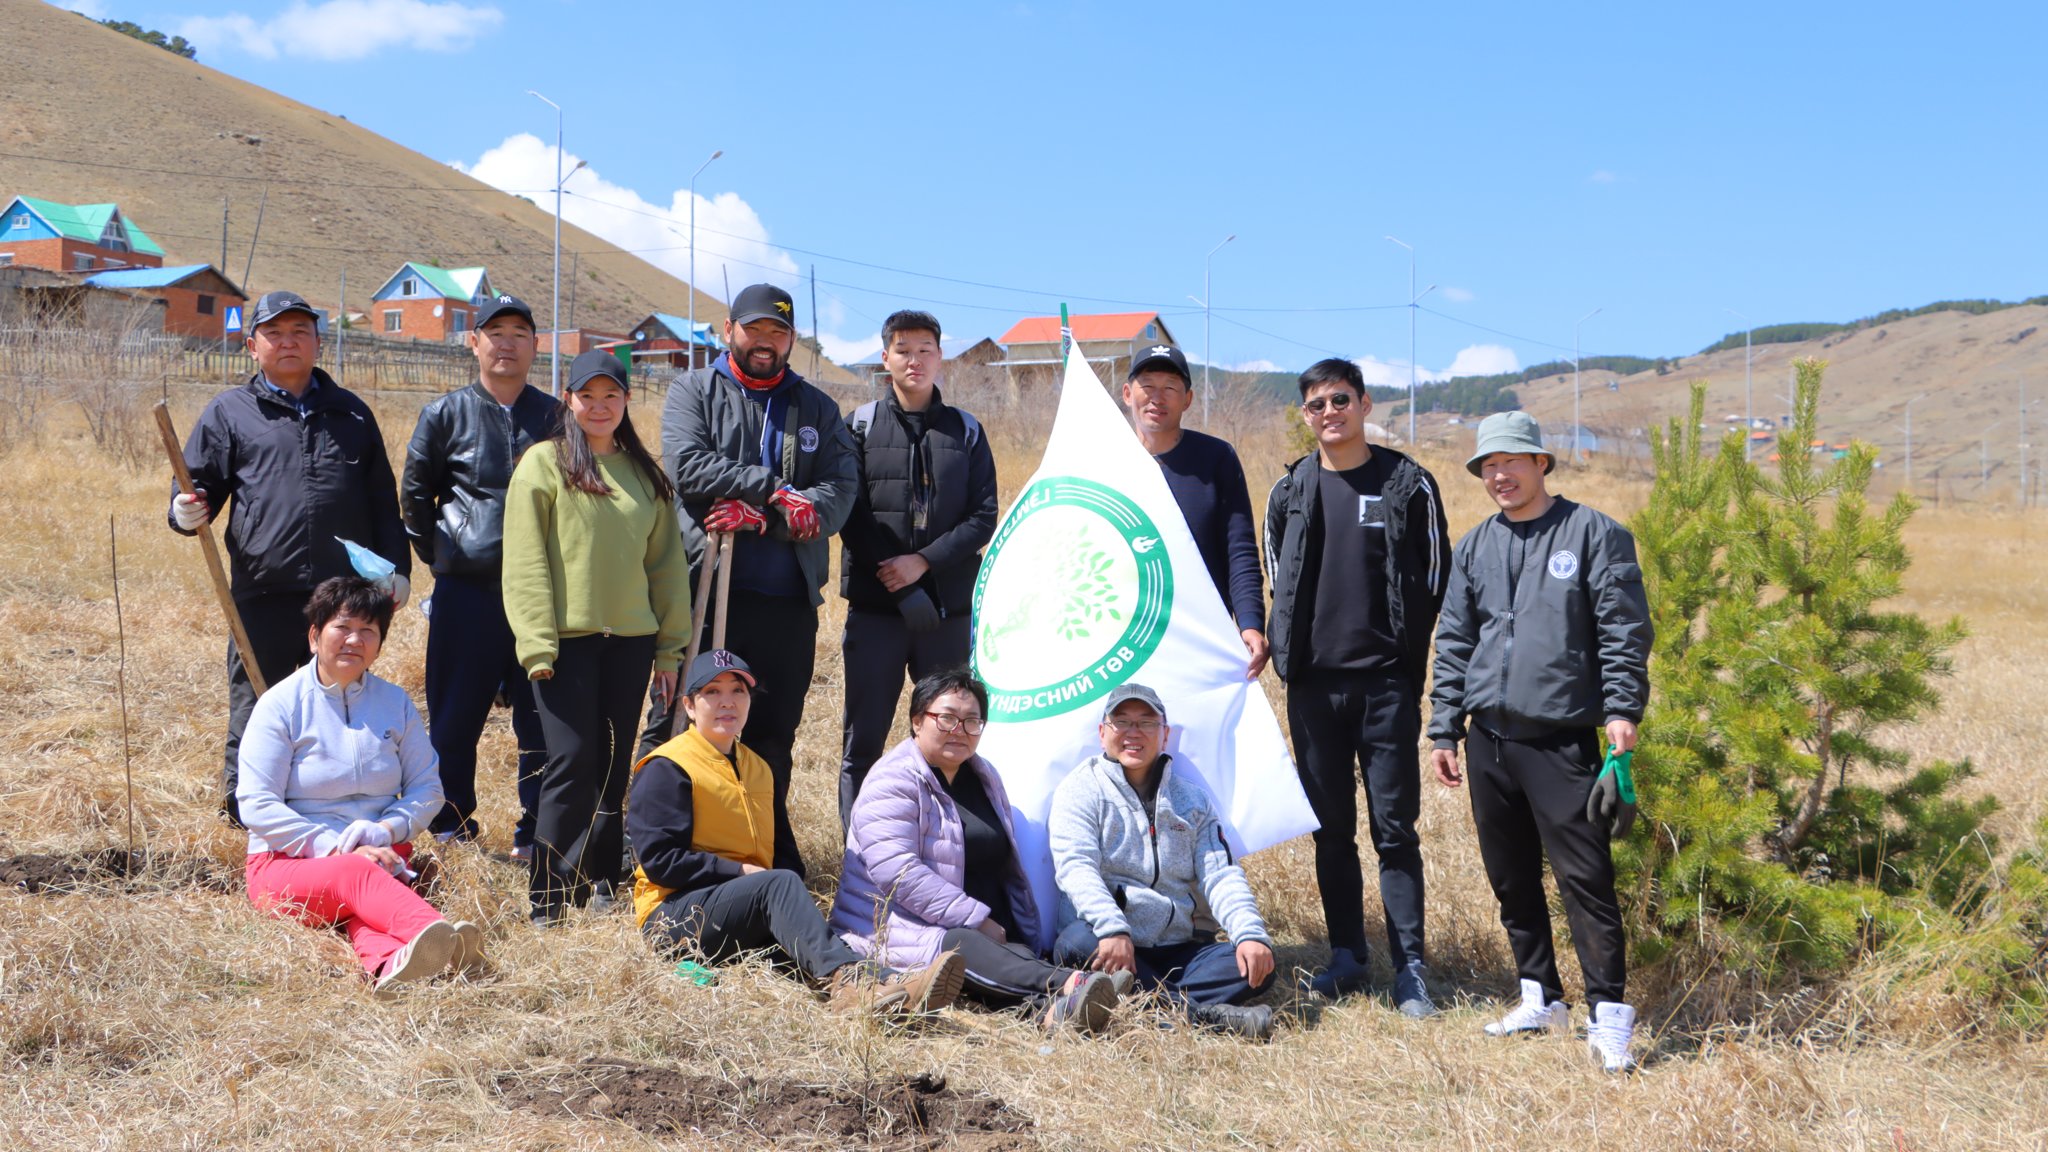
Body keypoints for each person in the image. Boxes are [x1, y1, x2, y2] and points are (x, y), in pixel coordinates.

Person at [1427, 410, 1653, 1073]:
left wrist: (1622, 709)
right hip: (1488, 741)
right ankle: (1540, 997)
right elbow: (1455, 642)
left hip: (1561, 741)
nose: (1499, 475)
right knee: (1512, 878)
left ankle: (1608, 1017)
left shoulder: (1594, 535)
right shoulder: (1475, 547)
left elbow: (1622, 630)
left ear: (1540, 463)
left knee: (1586, 881)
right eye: (1488, 467)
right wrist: (1445, 724)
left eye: (1511, 462)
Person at [639, 283, 858, 878]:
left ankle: (763, 848)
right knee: (679, 718)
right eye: (754, 329)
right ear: (729, 329)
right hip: (706, 588)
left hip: (786, 598)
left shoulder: (816, 407)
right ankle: (653, 854)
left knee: (772, 728)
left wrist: (765, 515)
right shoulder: (695, 389)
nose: (765, 342)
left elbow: (839, 494)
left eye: (778, 332)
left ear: (790, 340)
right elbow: (688, 466)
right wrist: (775, 487)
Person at [170, 290, 410, 827]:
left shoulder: (351, 413)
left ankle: (330, 804)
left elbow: (381, 502)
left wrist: (399, 569)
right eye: (274, 333)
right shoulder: (229, 412)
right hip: (263, 587)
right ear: (252, 345)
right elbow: (196, 486)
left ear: (318, 342)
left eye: (299, 331)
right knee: (258, 698)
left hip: (342, 597)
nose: (287, 342)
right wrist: (184, 511)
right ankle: (246, 811)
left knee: (338, 699)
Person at [629, 650, 966, 1015]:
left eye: (738, 692)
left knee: (814, 938)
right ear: (690, 706)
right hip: (673, 917)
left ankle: (893, 986)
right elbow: (662, 862)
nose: (727, 702)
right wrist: (741, 872)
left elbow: (785, 855)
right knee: (781, 886)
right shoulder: (668, 766)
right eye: (712, 692)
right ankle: (857, 985)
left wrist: (790, 909)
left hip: (742, 910)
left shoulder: (757, 767)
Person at [1263, 358, 1450, 1015]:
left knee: (1394, 832)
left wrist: (1406, 662)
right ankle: (1347, 955)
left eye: (1340, 399)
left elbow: (1433, 579)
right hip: (1314, 691)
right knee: (1330, 830)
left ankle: (1411, 969)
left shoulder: (1407, 484)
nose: (1329, 412)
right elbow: (1276, 575)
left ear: (1365, 403)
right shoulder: (1291, 490)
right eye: (1315, 405)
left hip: (1385, 689)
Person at [504, 348, 691, 924]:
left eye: (612, 395)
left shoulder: (644, 475)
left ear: (627, 400)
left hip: (631, 642)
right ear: (570, 400)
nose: (600, 406)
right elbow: (525, 561)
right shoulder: (542, 464)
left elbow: (666, 568)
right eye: (589, 395)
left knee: (613, 764)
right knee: (571, 761)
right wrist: (536, 644)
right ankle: (549, 895)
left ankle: (603, 878)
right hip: (566, 642)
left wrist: (670, 647)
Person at [832, 669, 1120, 1033]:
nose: (960, 730)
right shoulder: (894, 780)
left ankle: (1054, 1014)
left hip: (975, 925)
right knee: (963, 946)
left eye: (972, 721)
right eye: (947, 718)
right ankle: (1071, 983)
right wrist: (975, 917)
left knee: (1007, 957)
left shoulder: (983, 775)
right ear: (917, 721)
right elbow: (898, 873)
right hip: (898, 929)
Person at [237, 576, 483, 997]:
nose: (354, 640)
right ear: (315, 636)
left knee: (362, 898)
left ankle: (389, 964)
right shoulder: (279, 705)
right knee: (356, 873)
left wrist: (386, 830)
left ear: (380, 644)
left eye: (368, 631)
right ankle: (447, 940)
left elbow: (428, 787)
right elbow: (256, 805)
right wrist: (336, 847)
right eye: (342, 627)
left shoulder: (395, 702)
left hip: (383, 854)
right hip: (287, 867)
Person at [400, 293, 557, 849]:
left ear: (535, 345)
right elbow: (415, 494)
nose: (506, 342)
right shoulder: (445, 414)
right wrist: (442, 553)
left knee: (540, 718)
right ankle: (451, 824)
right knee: (454, 716)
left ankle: (537, 829)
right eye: (495, 331)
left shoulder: (556, 417)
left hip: (540, 593)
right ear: (474, 342)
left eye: (520, 331)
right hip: (466, 592)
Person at [836, 312, 999, 829]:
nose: (915, 359)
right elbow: (850, 512)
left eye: (925, 349)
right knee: (862, 740)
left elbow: (982, 517)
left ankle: (946, 846)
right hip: (877, 612)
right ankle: (862, 854)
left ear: (940, 357)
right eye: (903, 349)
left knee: (949, 736)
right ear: (885, 358)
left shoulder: (966, 430)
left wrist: (922, 563)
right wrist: (896, 578)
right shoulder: (858, 426)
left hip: (946, 613)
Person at [1048, 685, 1279, 1040]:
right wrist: (1113, 928)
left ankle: (1146, 1007)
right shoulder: (1080, 789)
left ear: (1165, 734)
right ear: (1102, 732)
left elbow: (1221, 873)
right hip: (1108, 941)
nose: (1133, 732)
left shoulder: (1192, 799)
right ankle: (1205, 1019)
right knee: (1077, 945)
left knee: (1257, 964)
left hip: (1178, 950)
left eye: (1146, 723)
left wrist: (1249, 934)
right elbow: (1075, 867)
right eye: (1121, 722)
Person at [1121, 343, 1267, 678]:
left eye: (1170, 388)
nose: (1158, 397)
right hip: (1123, 638)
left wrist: (1250, 623)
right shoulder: (1102, 459)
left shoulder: (1215, 458)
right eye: (1148, 386)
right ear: (1128, 393)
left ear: (1187, 399)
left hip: (1199, 636)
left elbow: (1239, 549)